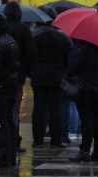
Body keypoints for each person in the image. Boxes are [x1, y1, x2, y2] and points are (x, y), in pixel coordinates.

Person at [30, 8, 72, 148]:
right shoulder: (62, 36)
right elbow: (69, 58)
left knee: (39, 107)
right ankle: (56, 140)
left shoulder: (33, 35)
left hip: (38, 76)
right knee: (56, 108)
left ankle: (38, 140)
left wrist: (32, 72)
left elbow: (27, 56)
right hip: (56, 76)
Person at [4, 1, 34, 154]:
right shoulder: (24, 29)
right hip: (17, 76)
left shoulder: (3, 29)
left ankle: (4, 141)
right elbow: (29, 54)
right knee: (14, 110)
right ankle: (14, 142)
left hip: (1, 76)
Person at [0, 14, 20, 168]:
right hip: (12, 85)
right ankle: (11, 156)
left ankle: (3, 156)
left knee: (2, 122)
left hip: (1, 87)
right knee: (10, 121)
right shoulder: (12, 41)